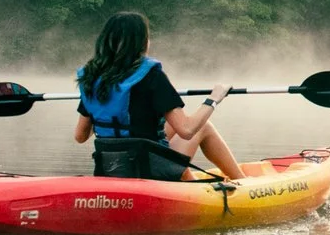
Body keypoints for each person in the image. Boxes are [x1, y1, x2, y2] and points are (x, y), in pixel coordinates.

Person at [72, 11, 248, 182]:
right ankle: (244, 184)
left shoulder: (92, 79)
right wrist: (214, 99)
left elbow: (80, 136)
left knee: (164, 130)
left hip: (110, 167)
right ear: (141, 43)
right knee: (203, 127)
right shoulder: (152, 76)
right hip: (147, 168)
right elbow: (187, 130)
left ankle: (189, 181)